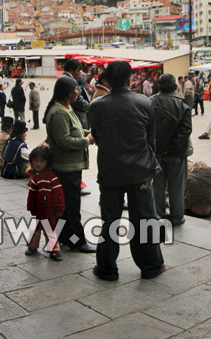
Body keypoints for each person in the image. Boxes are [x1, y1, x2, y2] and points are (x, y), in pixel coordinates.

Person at [89, 60, 165, 280]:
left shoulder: (97, 106)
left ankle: (107, 268)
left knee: (109, 220)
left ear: (107, 80)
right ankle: (150, 266)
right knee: (144, 219)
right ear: (130, 79)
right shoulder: (144, 103)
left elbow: (98, 136)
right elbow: (151, 141)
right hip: (139, 172)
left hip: (110, 172)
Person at [45, 75, 95, 254]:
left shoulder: (67, 108)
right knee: (72, 208)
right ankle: (77, 241)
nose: (78, 92)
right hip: (66, 168)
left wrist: (89, 133)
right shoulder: (58, 112)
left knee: (69, 207)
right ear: (67, 93)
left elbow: (78, 131)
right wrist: (86, 141)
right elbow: (64, 141)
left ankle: (66, 237)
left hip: (73, 166)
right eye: (75, 89)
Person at [151, 73, 192, 227]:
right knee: (177, 187)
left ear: (158, 86)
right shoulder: (183, 106)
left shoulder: (150, 103)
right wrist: (177, 148)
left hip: (155, 153)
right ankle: (177, 216)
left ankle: (158, 215)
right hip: (176, 155)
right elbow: (186, 131)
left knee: (157, 187)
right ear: (175, 87)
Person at [24, 145, 64, 261]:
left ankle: (53, 250)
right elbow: (32, 195)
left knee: (49, 229)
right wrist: (31, 207)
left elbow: (58, 193)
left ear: (47, 162)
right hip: (39, 210)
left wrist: (59, 208)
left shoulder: (51, 177)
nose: (38, 164)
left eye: (42, 161)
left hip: (50, 210)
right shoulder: (35, 177)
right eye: (36, 161)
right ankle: (32, 246)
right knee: (36, 228)